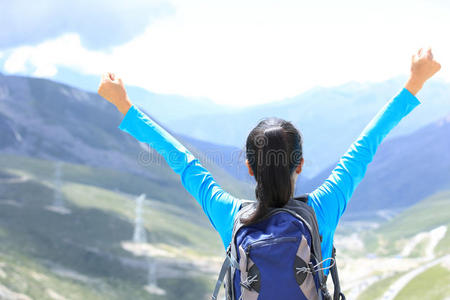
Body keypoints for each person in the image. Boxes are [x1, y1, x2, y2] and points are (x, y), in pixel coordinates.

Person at [97, 48, 440, 280]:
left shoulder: (230, 216)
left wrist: (125, 106)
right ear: (301, 164)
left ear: (249, 166)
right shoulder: (323, 207)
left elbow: (182, 162)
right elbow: (366, 145)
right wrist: (414, 83)